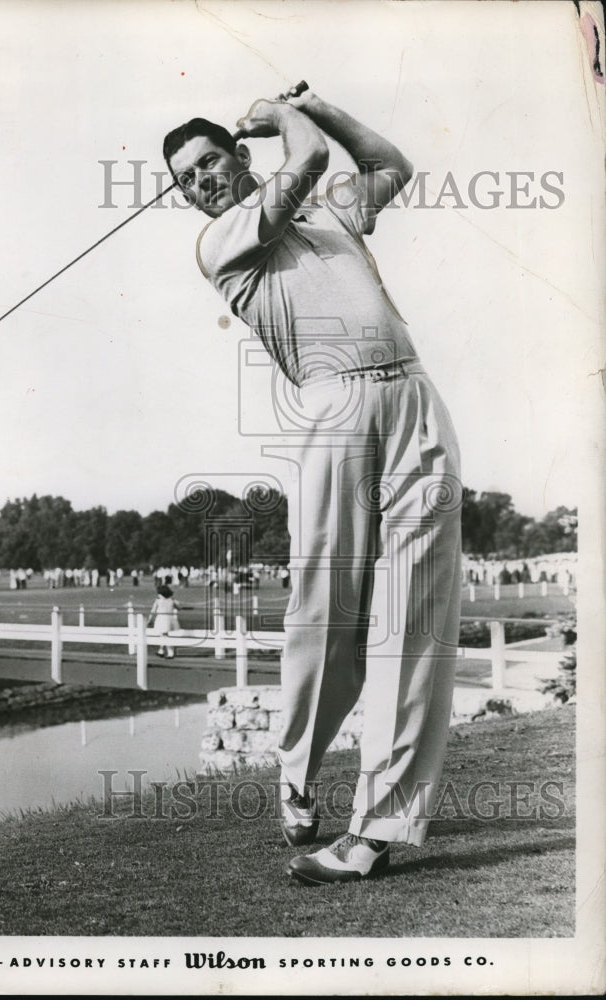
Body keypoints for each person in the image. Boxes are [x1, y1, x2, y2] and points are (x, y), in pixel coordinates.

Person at [163, 84, 462, 885]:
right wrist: (279, 114)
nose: (201, 185)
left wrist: (318, 103)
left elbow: (388, 164)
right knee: (325, 612)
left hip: (411, 399)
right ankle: (295, 772)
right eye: (185, 181)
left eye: (208, 164)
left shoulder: (328, 213)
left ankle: (374, 833)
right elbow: (312, 156)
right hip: (334, 413)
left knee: (414, 619)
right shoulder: (223, 241)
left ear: (237, 156)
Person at [147, 585, 182, 659]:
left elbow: (153, 611)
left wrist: (149, 620)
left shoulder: (158, 601)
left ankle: (170, 653)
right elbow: (179, 608)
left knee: (164, 635)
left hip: (162, 619)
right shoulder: (171, 600)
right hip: (170, 618)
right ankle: (161, 650)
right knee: (163, 635)